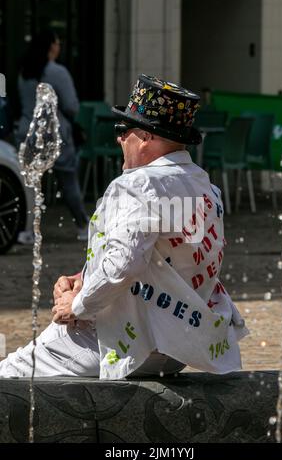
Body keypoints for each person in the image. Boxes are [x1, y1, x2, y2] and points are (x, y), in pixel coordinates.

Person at [0, 74, 248, 379]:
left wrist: (76, 305)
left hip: (123, 343)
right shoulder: (206, 188)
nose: (119, 139)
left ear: (145, 137)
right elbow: (167, 259)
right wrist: (84, 278)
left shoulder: (137, 185)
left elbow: (123, 264)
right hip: (177, 349)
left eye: (123, 130)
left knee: (9, 374)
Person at [15, 29, 89, 243]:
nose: (59, 47)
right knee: (68, 183)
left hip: (27, 134)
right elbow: (71, 106)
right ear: (51, 47)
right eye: (57, 43)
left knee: (30, 185)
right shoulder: (57, 72)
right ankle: (83, 225)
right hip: (54, 136)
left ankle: (26, 229)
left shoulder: (25, 71)